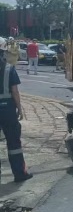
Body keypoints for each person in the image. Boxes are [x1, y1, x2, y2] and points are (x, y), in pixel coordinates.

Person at [0, 37, 33, 183]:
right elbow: (15, 91)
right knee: (14, 143)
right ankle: (20, 174)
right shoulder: (8, 68)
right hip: (7, 110)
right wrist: (19, 108)